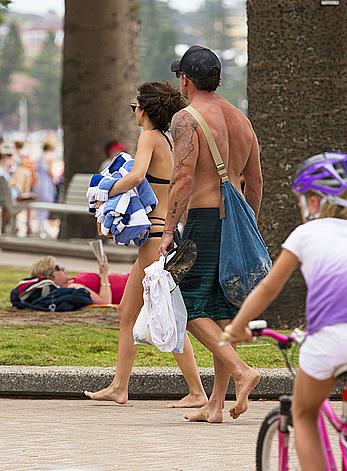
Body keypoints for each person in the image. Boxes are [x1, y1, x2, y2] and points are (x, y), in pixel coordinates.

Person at [84, 80, 207, 407]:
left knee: (170, 313)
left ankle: (198, 390)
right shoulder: (168, 139)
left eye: (135, 106)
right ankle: (120, 386)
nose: (134, 112)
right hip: (165, 234)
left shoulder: (150, 137)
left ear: (146, 110)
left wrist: (102, 192)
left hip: (154, 238)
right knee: (128, 311)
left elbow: (137, 176)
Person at [222, 152, 347, 471]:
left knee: (304, 414)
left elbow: (267, 288)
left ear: (316, 201)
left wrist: (237, 327)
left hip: (331, 339)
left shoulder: (306, 235)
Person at [159, 45, 262, 423]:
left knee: (187, 307)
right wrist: (246, 226)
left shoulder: (186, 119)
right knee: (220, 310)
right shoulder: (240, 119)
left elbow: (183, 177)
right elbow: (255, 182)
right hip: (236, 222)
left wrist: (169, 230)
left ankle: (241, 370)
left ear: (186, 80)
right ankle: (215, 405)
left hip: (203, 219)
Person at [29, 255, 129, 305]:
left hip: (128, 280)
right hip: (129, 288)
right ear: (50, 277)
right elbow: (105, 302)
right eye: (58, 268)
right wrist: (104, 275)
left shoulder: (71, 282)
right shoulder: (72, 287)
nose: (63, 268)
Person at [34, 142, 57, 237]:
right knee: (47, 203)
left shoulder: (40, 156)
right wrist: (54, 179)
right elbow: (50, 171)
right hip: (46, 183)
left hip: (39, 182)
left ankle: (40, 226)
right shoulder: (50, 156)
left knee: (40, 204)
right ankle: (43, 226)